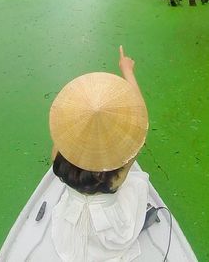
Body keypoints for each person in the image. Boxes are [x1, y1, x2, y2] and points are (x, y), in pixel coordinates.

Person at [48, 45, 150, 261]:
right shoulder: (118, 173)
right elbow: (141, 120)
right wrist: (127, 71)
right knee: (137, 185)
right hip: (110, 231)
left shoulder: (59, 153)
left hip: (70, 229)